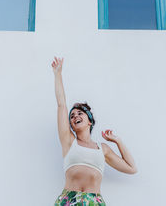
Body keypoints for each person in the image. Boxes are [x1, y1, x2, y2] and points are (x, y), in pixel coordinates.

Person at [52, 56, 138, 206]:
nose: (75, 116)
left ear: (89, 121)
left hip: (94, 201)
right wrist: (58, 74)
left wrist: (117, 141)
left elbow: (132, 168)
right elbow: (61, 105)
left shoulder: (102, 149)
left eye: (80, 113)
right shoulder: (69, 141)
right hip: (69, 200)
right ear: (71, 124)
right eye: (72, 116)